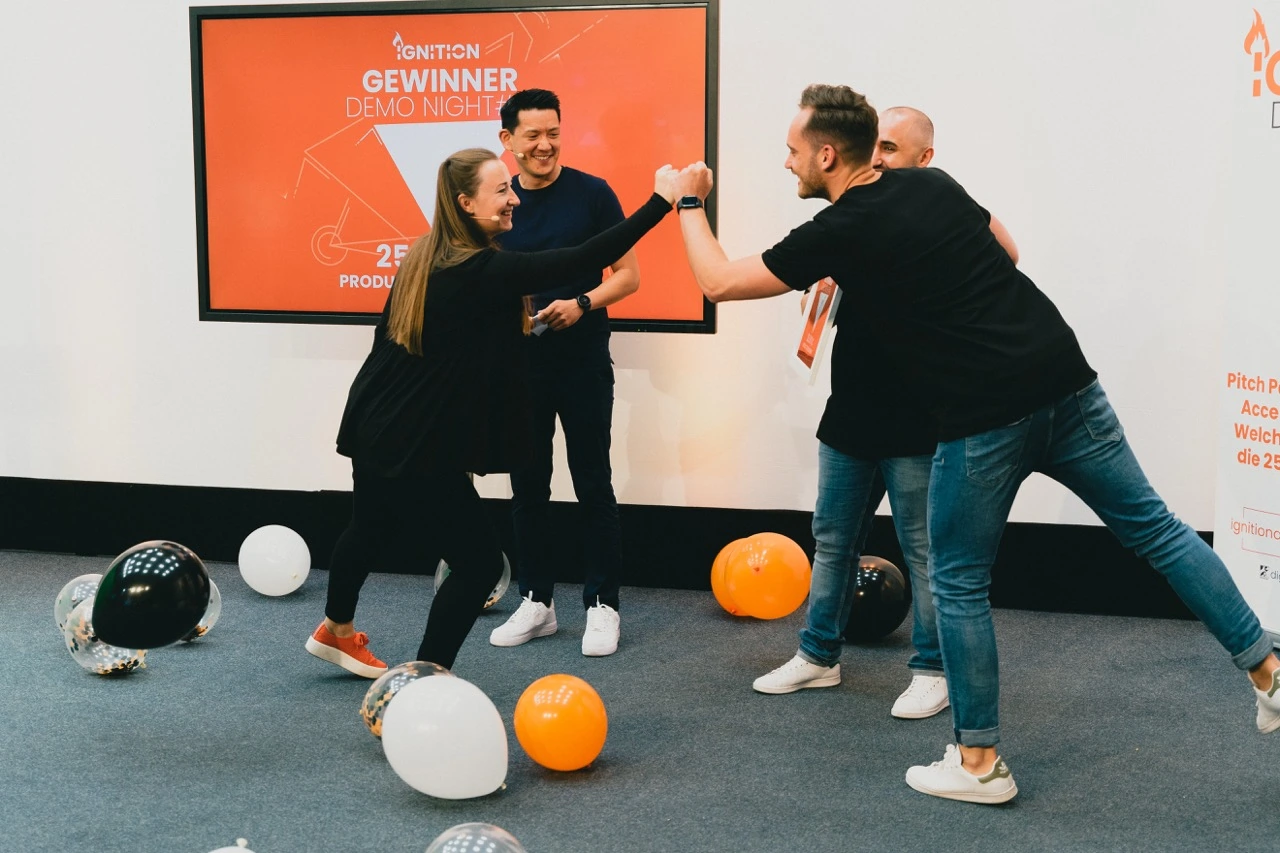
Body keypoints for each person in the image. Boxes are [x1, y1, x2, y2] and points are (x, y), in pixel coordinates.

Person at [671, 84, 1280, 804]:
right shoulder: (932, 184)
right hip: (1063, 377)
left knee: (958, 580)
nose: (787, 163)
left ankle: (980, 762)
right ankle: (1269, 670)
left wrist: (686, 200)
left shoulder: (841, 228)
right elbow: (1006, 251)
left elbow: (716, 279)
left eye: (792, 152)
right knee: (1158, 529)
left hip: (987, 414)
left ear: (827, 155)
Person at [305, 147, 678, 677]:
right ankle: (424, 681)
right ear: (465, 203)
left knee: (368, 526)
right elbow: (580, 258)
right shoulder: (482, 267)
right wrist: (662, 200)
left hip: (375, 423)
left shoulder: (424, 253)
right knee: (479, 563)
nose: (514, 198)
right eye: (501, 190)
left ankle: (336, 630)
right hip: (415, 440)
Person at [752, 106, 1018, 724]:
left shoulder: (932, 209)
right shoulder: (856, 219)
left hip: (918, 412)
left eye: (891, 149)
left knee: (923, 548)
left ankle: (932, 670)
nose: (878, 159)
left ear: (925, 161)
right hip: (853, 407)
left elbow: (1007, 251)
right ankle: (818, 654)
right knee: (832, 539)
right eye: (875, 148)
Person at [487, 89, 639, 657]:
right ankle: (537, 602)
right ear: (508, 142)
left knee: (592, 481)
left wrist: (582, 302)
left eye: (553, 132)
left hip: (581, 362)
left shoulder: (593, 193)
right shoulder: (498, 203)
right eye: (532, 135)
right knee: (528, 488)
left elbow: (628, 276)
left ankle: (603, 605)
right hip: (519, 367)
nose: (545, 144)